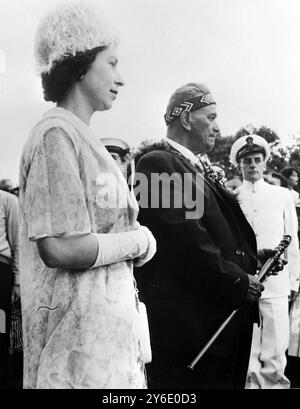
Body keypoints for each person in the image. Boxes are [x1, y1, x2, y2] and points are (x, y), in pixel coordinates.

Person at [19, 1, 156, 389]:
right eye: (111, 63)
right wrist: (137, 241)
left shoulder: (83, 138)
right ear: (79, 63)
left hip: (104, 342)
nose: (121, 77)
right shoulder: (55, 134)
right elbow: (59, 248)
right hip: (76, 349)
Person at [133, 82, 265, 389]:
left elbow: (215, 236)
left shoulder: (194, 167)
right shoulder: (155, 163)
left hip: (219, 321)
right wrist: (238, 279)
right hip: (193, 331)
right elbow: (183, 243)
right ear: (187, 118)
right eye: (211, 117)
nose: (218, 127)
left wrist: (257, 258)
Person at [230, 134, 300, 389]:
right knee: (249, 349)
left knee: (275, 349)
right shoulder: (233, 198)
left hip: (277, 284)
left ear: (264, 163)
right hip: (246, 283)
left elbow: (292, 241)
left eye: (257, 160)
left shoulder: (281, 195)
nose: (252, 165)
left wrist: (293, 282)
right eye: (247, 161)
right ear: (240, 165)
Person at [0, 189, 20, 387]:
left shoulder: (8, 200)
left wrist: (17, 281)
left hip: (1, 270)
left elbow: (17, 243)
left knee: (0, 325)